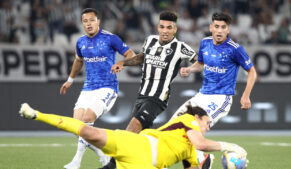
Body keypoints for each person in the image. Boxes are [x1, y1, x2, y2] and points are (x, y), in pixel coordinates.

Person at [19, 102, 247, 169]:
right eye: (208, 123)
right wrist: (229, 146)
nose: (208, 127)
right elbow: (201, 142)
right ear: (198, 117)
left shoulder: (190, 151)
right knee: (89, 132)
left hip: (145, 165)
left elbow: (197, 156)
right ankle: (36, 114)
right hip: (137, 144)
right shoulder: (187, 121)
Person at [102, 10, 198, 169]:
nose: (165, 31)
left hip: (158, 98)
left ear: (175, 29)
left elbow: (200, 61)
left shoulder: (181, 47)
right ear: (158, 27)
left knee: (131, 130)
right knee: (140, 137)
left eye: (169, 27)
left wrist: (191, 69)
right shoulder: (150, 40)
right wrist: (123, 63)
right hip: (142, 96)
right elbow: (140, 58)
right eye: (162, 27)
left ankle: (110, 166)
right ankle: (159, 163)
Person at [171, 12, 257, 163]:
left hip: (220, 98)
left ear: (228, 30)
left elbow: (252, 71)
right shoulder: (205, 42)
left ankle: (203, 157)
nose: (219, 30)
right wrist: (190, 69)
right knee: (174, 125)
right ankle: (202, 158)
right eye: (216, 26)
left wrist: (245, 95)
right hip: (201, 95)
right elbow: (201, 63)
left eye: (223, 27)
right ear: (211, 27)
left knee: (195, 130)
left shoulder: (235, 49)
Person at [59, 8, 135, 169]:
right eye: (85, 21)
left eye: (92, 20)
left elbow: (130, 54)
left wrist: (121, 63)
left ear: (98, 21)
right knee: (76, 127)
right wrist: (70, 80)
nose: (89, 24)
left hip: (107, 88)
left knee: (87, 119)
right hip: (87, 89)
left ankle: (76, 162)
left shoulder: (110, 38)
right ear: (82, 24)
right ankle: (103, 154)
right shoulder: (81, 41)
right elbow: (78, 61)